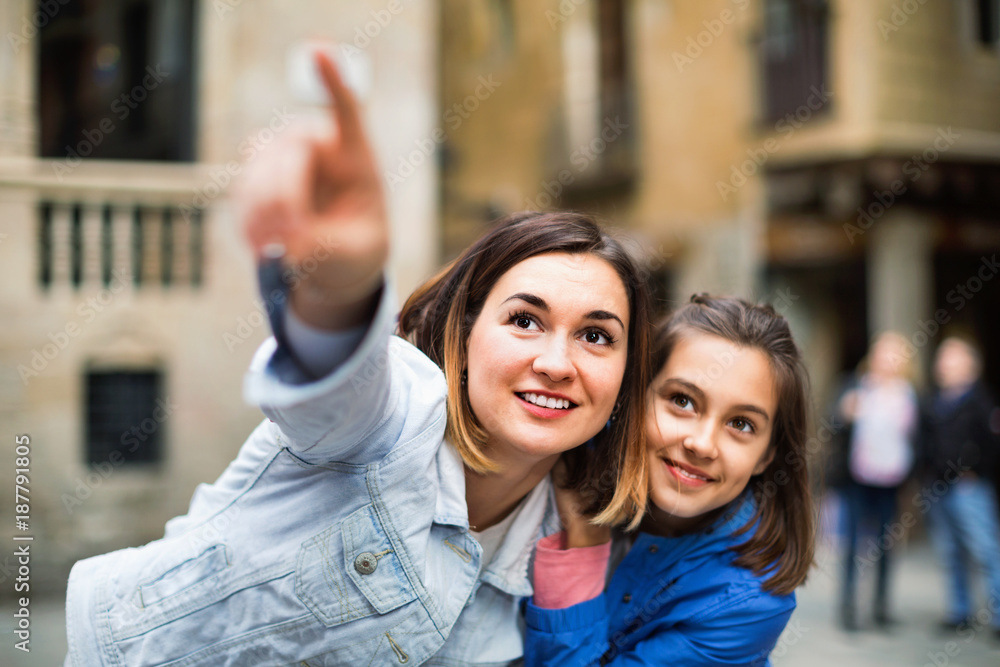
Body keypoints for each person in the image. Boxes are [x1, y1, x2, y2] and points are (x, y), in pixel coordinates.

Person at [63, 52, 653, 665]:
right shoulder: (395, 416)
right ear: (465, 336)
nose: (558, 363)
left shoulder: (568, 539)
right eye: (525, 320)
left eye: (597, 336)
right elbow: (338, 377)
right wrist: (339, 287)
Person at [523, 294, 816, 666]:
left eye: (741, 424)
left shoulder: (750, 604)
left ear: (766, 457)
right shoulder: (563, 447)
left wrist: (583, 542)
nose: (701, 444)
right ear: (634, 398)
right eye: (682, 401)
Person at [834, 332, 918, 631]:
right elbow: (833, 425)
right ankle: (848, 606)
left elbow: (916, 436)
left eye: (895, 355)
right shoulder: (856, 386)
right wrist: (844, 414)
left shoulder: (909, 393)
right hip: (858, 477)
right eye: (884, 353)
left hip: (892, 478)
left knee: (886, 543)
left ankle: (881, 607)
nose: (888, 361)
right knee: (854, 542)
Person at [919, 336, 1000, 638]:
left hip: (969, 488)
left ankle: (998, 616)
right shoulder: (933, 400)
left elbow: (992, 443)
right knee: (950, 552)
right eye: (942, 358)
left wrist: (975, 471)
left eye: (951, 358)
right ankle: (960, 612)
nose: (943, 364)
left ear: (970, 365)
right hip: (937, 487)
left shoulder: (981, 400)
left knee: (985, 550)